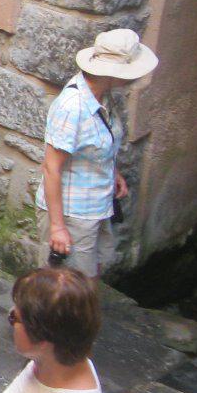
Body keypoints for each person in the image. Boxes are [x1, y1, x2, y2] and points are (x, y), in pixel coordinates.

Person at [41, 29, 158, 280]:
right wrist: (58, 227)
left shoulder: (103, 98)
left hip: (95, 207)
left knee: (86, 280)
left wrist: (113, 173)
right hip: (75, 215)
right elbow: (51, 168)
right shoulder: (72, 107)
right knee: (68, 289)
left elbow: (99, 144)